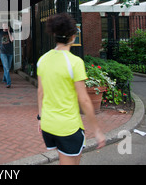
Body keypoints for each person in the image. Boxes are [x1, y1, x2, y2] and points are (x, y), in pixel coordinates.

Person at [37, 13, 105, 165]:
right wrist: (97, 130)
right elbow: (85, 100)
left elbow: (40, 92)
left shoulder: (42, 60)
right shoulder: (74, 62)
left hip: (48, 124)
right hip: (67, 127)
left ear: (54, 34)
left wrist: (40, 119)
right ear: (73, 36)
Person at [0, 23, 14, 88]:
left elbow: (12, 40)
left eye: (6, 26)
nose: (5, 27)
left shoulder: (11, 32)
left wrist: (9, 31)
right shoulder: (0, 33)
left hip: (10, 52)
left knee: (7, 67)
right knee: (6, 68)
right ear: (2, 26)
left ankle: (4, 79)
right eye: (4, 26)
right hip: (3, 52)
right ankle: (8, 83)